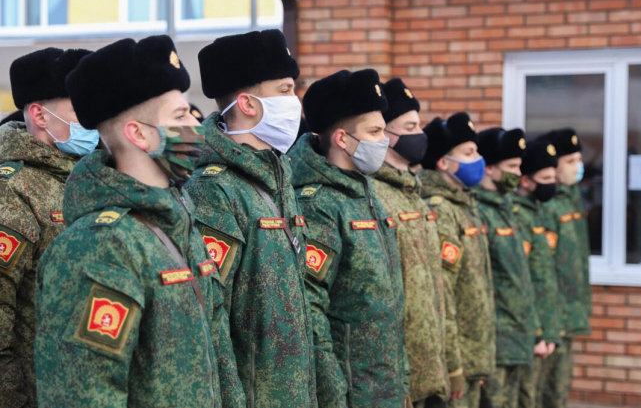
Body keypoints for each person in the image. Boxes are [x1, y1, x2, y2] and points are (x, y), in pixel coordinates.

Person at [34, 35, 244, 407]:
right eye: (179, 117)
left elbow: (218, 360)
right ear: (139, 134)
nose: (195, 126)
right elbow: (86, 394)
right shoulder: (99, 246)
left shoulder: (179, 220)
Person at [185, 29, 316, 407]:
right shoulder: (213, 189)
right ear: (247, 103)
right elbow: (213, 316)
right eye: (285, 90)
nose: (294, 102)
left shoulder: (277, 171)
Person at [289, 69, 410, 407]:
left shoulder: (366, 193)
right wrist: (334, 394)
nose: (384, 140)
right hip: (352, 393)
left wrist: (402, 382)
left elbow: (387, 305)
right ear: (342, 139)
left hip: (385, 388)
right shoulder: (319, 204)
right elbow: (311, 310)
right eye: (374, 132)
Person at [0, 47, 92, 408]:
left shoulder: (90, 178)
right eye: (80, 109)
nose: (93, 119)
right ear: (40, 114)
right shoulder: (13, 189)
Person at [371, 78, 449, 407]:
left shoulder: (415, 192)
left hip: (431, 364)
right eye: (410, 127)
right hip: (399, 373)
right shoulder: (374, 193)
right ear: (385, 134)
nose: (420, 134)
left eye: (419, 125)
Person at [418, 113, 495, 408]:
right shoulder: (441, 210)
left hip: (473, 357)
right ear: (443, 162)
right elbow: (444, 294)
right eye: (468, 153)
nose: (478, 160)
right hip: (456, 361)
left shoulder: (464, 204)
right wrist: (454, 367)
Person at [475, 127, 539, 408]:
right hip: (496, 340)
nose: (518, 172)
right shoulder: (479, 210)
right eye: (511, 166)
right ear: (489, 168)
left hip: (516, 336)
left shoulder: (506, 207)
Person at [536, 129, 591, 408]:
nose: (577, 166)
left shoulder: (571, 198)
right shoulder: (547, 205)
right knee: (546, 393)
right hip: (552, 318)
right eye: (570, 161)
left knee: (559, 391)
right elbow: (544, 268)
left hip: (568, 313)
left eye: (579, 159)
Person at [512, 140, 563, 408]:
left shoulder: (539, 211)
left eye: (554, 178)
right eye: (545, 179)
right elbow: (521, 280)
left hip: (546, 328)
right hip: (529, 332)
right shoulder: (518, 215)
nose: (551, 184)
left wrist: (551, 330)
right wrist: (536, 332)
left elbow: (545, 277)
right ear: (526, 180)